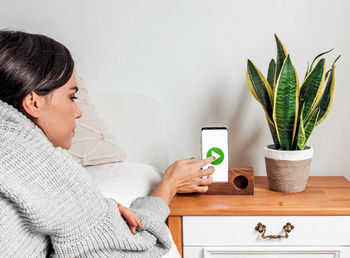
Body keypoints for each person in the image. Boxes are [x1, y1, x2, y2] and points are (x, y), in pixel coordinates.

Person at [0, 30, 215, 257]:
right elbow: (137, 247)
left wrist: (94, 210)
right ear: (33, 102)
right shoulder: (41, 164)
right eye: (71, 97)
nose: (78, 112)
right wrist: (168, 185)